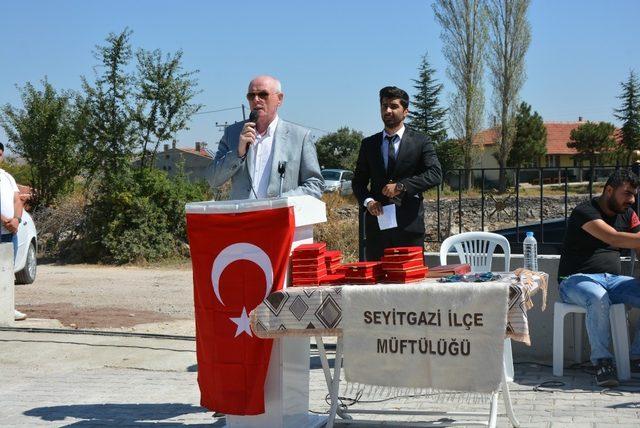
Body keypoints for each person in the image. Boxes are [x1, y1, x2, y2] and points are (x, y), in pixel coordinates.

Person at [558, 169, 640, 387]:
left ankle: (637, 356)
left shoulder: (629, 214)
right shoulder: (584, 211)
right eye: (627, 193)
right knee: (597, 295)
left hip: (613, 281)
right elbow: (612, 237)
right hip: (575, 280)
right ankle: (602, 361)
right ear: (610, 190)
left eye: (634, 194)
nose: (632, 200)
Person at [352, 86, 442, 261]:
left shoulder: (420, 141)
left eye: (393, 106)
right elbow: (358, 182)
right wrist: (369, 202)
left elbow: (435, 173)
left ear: (405, 111)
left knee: (410, 284)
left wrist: (402, 186)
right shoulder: (369, 144)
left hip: (409, 228)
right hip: (377, 230)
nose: (387, 110)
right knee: (377, 285)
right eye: (384, 106)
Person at [208, 75, 324, 200]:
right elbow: (213, 180)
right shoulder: (232, 133)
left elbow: (315, 185)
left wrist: (281, 201)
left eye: (263, 94)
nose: (256, 99)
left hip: (279, 217)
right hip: (242, 217)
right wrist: (238, 153)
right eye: (251, 96)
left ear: (279, 99)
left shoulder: (300, 137)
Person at [0, 143, 25, 321]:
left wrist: (16, 219)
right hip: (4, 227)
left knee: (7, 272)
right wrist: (3, 220)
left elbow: (17, 200)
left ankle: (7, 308)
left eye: (0, 154)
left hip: (10, 233)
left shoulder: (7, 177)